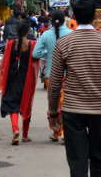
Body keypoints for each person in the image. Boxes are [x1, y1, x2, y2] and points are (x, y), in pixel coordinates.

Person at [48, 0, 101, 177]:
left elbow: (54, 82)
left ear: (74, 16)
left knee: (77, 161)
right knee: (99, 157)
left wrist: (53, 112)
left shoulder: (63, 43)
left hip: (72, 111)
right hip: (99, 111)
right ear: (95, 17)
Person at [33, 10, 73, 142]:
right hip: (69, 76)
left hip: (51, 76)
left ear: (51, 20)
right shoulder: (71, 34)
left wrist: (48, 52)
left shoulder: (45, 35)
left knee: (54, 105)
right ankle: (67, 134)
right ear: (64, 20)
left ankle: (56, 132)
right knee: (67, 105)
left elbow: (35, 54)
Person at [0, 22, 40, 145]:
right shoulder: (32, 44)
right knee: (26, 103)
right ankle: (25, 135)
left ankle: (16, 130)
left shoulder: (11, 44)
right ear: (27, 32)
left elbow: (5, 61)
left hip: (12, 78)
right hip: (25, 79)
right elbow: (36, 58)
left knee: (13, 105)